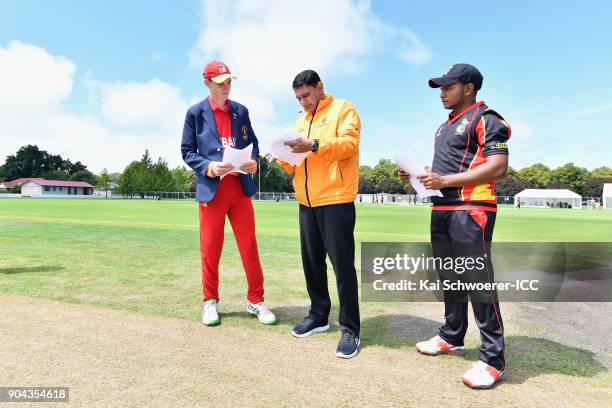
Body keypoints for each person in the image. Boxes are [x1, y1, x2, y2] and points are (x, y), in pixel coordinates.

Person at [400, 63, 511, 389]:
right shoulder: (442, 128)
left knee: (477, 279)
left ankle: (493, 359)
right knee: (450, 277)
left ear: (469, 88)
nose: (442, 92)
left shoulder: (486, 118)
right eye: (440, 87)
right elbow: (443, 173)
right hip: (442, 209)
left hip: (472, 209)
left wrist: (445, 179)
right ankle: (452, 336)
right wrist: (418, 178)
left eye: (448, 86)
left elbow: (499, 166)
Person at [181, 60, 276, 327]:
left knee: (250, 248)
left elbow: (253, 144)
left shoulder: (241, 111)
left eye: (229, 82)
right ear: (207, 83)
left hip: (240, 190)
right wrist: (209, 166)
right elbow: (187, 151)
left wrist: (254, 161)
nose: (226, 87)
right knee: (210, 250)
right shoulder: (195, 113)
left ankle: (256, 300)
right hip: (213, 191)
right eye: (221, 83)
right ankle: (210, 301)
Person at [279, 69, 361, 358]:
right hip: (306, 201)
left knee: (342, 267)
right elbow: (296, 163)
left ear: (320, 87)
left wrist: (313, 145)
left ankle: (350, 327)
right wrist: (283, 157)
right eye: (298, 98)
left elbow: (349, 146)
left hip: (336, 199)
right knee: (312, 264)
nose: (303, 102)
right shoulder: (300, 121)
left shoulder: (344, 109)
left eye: (307, 95)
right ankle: (318, 315)